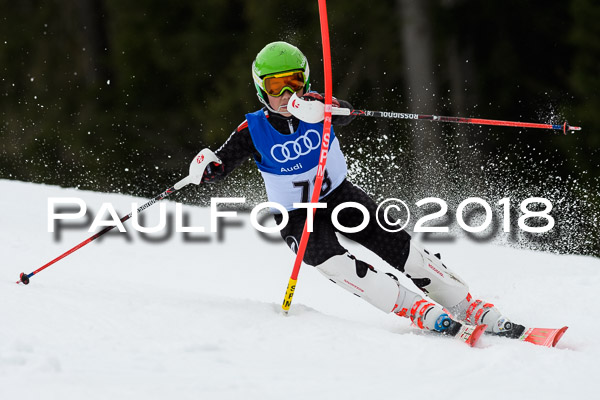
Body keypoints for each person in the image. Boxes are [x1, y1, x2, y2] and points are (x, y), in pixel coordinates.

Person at [198, 41, 524, 338]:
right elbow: (221, 164)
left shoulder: (316, 108)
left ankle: (464, 303)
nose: (285, 94)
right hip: (297, 216)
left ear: (306, 82)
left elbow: (345, 112)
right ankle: (411, 306)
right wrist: (206, 168)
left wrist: (327, 105)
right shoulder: (252, 129)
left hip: (339, 197)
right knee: (330, 261)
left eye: (293, 83)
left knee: (399, 246)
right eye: (274, 86)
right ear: (260, 89)